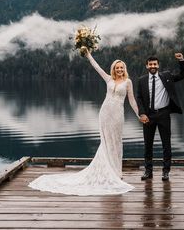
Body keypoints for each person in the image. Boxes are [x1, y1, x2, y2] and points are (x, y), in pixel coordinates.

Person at [28, 50, 140, 195]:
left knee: (116, 142)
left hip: (118, 114)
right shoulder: (108, 79)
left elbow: (131, 100)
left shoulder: (128, 82)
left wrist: (139, 114)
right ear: (113, 69)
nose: (119, 70)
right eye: (117, 68)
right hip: (105, 113)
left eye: (121, 68)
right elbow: (97, 67)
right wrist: (88, 55)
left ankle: (117, 171)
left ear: (124, 69)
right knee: (106, 141)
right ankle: (109, 169)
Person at [136, 53, 184, 181]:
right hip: (148, 116)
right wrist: (142, 113)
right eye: (150, 64)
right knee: (148, 145)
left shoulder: (166, 76)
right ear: (147, 66)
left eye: (155, 64)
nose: (153, 66)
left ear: (158, 65)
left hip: (164, 114)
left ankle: (166, 171)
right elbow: (139, 98)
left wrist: (181, 61)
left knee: (166, 144)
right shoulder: (141, 80)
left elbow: (183, 75)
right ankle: (148, 171)